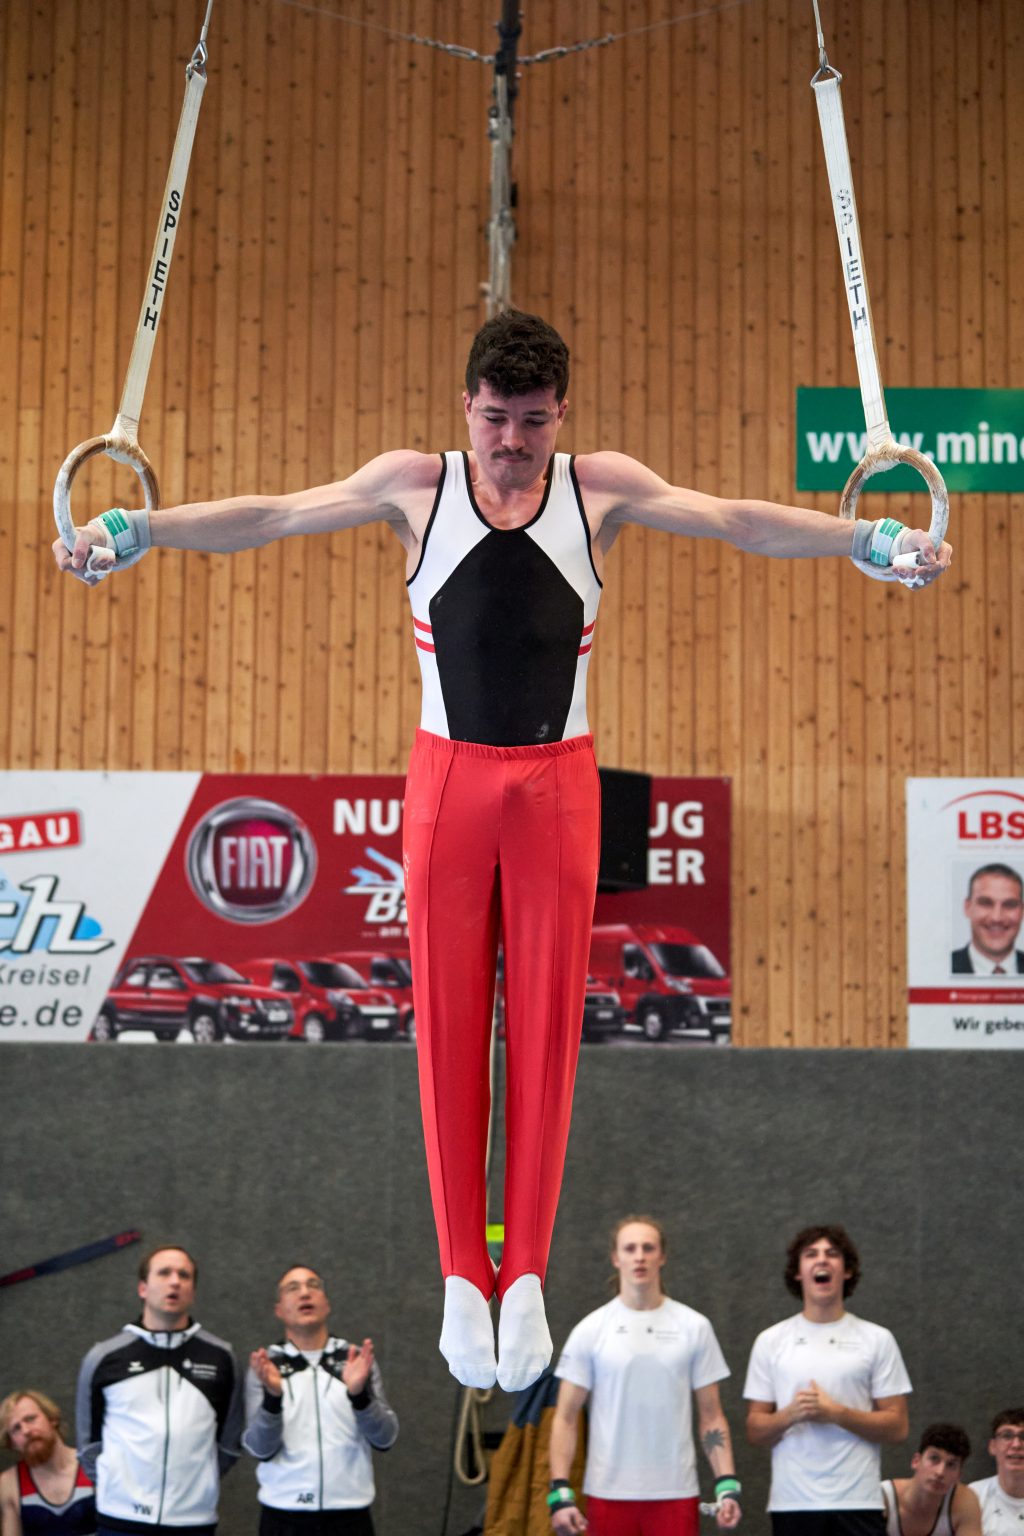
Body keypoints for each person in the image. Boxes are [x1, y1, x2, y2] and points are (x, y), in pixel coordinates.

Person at [54, 312, 952, 1393]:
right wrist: (137, 531)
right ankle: (456, 1274)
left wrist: (867, 541)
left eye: (532, 423)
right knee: (444, 1026)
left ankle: (518, 1270)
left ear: (560, 413)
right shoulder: (414, 487)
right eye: (494, 420)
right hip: (447, 782)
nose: (512, 443)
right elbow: (273, 516)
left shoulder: (599, 487)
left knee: (542, 1031)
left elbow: (734, 522)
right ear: (464, 406)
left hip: (556, 786)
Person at [547, 1215, 743, 1536]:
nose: (639, 1255)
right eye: (630, 1248)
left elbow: (711, 1416)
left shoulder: (694, 1327)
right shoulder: (591, 1330)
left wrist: (726, 1483)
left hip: (675, 1492)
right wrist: (559, 1492)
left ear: (662, 1257)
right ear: (616, 1258)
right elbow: (565, 1418)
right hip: (608, 1492)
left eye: (648, 1248)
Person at [744, 1223, 912, 1536]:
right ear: (798, 1272)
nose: (822, 1260)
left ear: (846, 1271)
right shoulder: (770, 1342)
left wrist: (836, 1413)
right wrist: (791, 1414)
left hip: (858, 1503)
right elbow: (755, 1431)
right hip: (792, 1505)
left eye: (832, 1254)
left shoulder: (877, 1339)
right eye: (811, 1255)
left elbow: (898, 1426)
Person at [75, 1244, 242, 1535]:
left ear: (193, 1290)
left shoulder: (221, 1357)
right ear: (143, 1288)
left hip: (192, 1522)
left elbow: (228, 1444)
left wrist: (196, 1488)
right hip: (120, 1520)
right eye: (164, 1273)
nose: (175, 1281)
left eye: (184, 1275)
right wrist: (121, 1487)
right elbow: (89, 1445)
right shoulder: (103, 1357)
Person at [243, 1264, 398, 1536]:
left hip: (350, 1516)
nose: (305, 1293)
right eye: (293, 1288)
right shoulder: (267, 1365)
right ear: (279, 1309)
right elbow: (259, 1449)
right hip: (283, 1517)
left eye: (313, 1286)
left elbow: (385, 1438)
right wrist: (272, 1399)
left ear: (326, 1304)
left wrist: (359, 1396)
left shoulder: (356, 1360)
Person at [0, 1390, 96, 1535]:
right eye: (16, 1429)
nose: (25, 1430)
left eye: (30, 1419)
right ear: (12, 1443)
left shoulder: (94, 1466)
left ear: (52, 1419)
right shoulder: (9, 1483)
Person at [880, 1423, 981, 1536]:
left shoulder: (965, 1502)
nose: (940, 1472)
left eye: (951, 1465)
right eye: (934, 1458)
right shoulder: (882, 1497)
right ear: (916, 1461)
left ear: (959, 1475)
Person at [951, 866, 1024, 974]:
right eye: (986, 903)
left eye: (1009, 905)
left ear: (1022, 911)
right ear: (967, 908)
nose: (997, 917)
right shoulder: (942, 966)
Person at [968, 1410, 1024, 1534]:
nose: (1016, 1445)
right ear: (993, 1446)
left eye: (1023, 1436)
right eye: (1007, 1436)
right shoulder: (973, 1497)